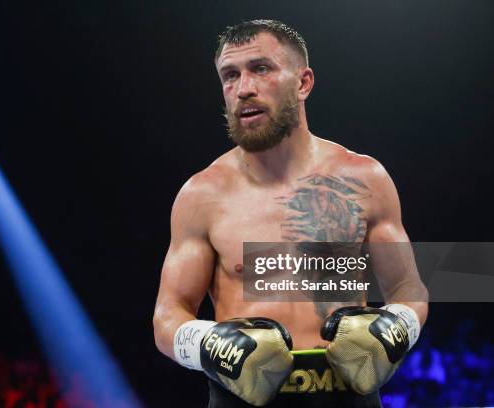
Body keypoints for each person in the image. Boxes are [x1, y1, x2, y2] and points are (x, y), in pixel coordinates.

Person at [153, 19, 428, 407]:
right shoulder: (202, 195)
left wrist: (396, 327)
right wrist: (207, 344)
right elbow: (168, 315)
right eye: (230, 76)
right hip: (241, 399)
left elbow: (409, 292)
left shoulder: (366, 179)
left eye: (261, 69)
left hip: (348, 396)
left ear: (303, 83)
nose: (243, 88)